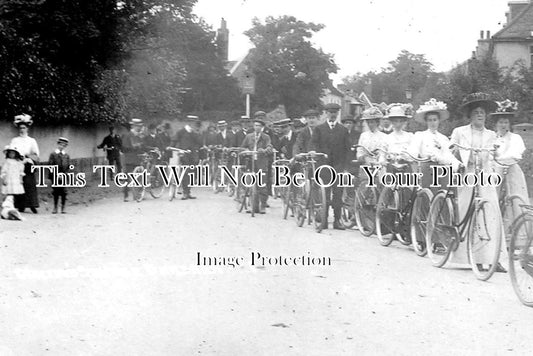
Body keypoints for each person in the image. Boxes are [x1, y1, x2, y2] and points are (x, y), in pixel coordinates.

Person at [449, 92, 504, 271]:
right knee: (468, 212)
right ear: (470, 115)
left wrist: (498, 155)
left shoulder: (491, 135)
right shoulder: (460, 132)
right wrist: (457, 164)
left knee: (490, 212)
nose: (480, 115)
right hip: (467, 175)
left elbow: (496, 155)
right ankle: (470, 257)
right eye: (476, 112)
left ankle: (493, 258)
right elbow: (450, 152)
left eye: (482, 112)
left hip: (485, 177)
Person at [310, 102, 351, 230]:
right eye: (330, 112)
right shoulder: (319, 129)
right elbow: (314, 144)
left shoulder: (343, 130)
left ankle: (337, 220)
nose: (333, 115)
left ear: (337, 114)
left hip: (338, 165)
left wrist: (345, 167)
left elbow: (347, 149)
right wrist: (315, 154)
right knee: (325, 193)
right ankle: (324, 219)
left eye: (335, 113)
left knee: (338, 193)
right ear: (326, 113)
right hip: (324, 165)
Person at [490, 99, 529, 225]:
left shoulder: (515, 138)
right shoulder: (492, 138)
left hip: (512, 170)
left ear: (509, 124)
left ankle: (518, 231)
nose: (503, 125)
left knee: (516, 200)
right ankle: (496, 227)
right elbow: (489, 155)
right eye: (501, 122)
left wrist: (501, 158)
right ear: (496, 124)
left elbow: (516, 154)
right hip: (496, 171)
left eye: (506, 122)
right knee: (494, 199)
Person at [409, 99, 460, 192]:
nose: (433, 123)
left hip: (443, 168)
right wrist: (412, 157)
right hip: (427, 167)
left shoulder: (443, 138)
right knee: (430, 191)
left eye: (435, 120)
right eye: (430, 120)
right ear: (426, 122)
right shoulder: (420, 135)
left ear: (438, 121)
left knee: (448, 191)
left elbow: (448, 154)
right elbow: (414, 151)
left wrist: (456, 164)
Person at [240, 117, 273, 214]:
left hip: (261, 162)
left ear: (262, 127)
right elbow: (242, 147)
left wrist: (265, 150)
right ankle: (252, 204)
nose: (257, 127)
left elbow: (269, 146)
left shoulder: (266, 137)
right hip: (250, 161)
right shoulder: (249, 136)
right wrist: (246, 151)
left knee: (262, 184)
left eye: (259, 126)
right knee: (250, 183)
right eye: (255, 125)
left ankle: (262, 205)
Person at [10, 114, 40, 213]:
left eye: (24, 127)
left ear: (27, 128)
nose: (22, 129)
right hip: (18, 165)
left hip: (28, 165)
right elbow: (11, 151)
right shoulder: (15, 140)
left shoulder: (31, 141)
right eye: (20, 128)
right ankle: (20, 205)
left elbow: (36, 153)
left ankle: (32, 205)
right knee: (19, 185)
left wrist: (29, 157)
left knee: (29, 185)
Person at [173, 115, 202, 200]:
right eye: (191, 121)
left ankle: (188, 192)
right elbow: (174, 140)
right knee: (185, 173)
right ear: (188, 122)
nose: (193, 123)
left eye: (194, 122)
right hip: (184, 154)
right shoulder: (181, 131)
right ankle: (185, 192)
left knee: (193, 173)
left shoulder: (195, 132)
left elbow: (199, 142)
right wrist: (171, 147)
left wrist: (195, 134)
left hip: (193, 155)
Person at [121, 119, 144, 202]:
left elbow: (142, 146)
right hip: (129, 159)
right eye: (138, 126)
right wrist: (135, 147)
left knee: (138, 177)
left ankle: (137, 194)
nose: (139, 127)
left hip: (137, 159)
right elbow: (124, 148)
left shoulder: (139, 136)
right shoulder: (127, 135)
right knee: (127, 177)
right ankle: (126, 195)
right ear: (133, 126)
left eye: (140, 126)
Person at [47, 137, 70, 214]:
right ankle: (55, 207)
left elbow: (68, 166)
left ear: (65, 146)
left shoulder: (66, 155)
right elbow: (50, 165)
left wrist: (65, 174)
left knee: (64, 192)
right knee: (56, 191)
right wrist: (55, 174)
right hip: (55, 176)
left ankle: (63, 207)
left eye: (64, 145)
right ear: (58, 144)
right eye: (60, 144)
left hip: (63, 176)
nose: (62, 146)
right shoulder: (53, 154)